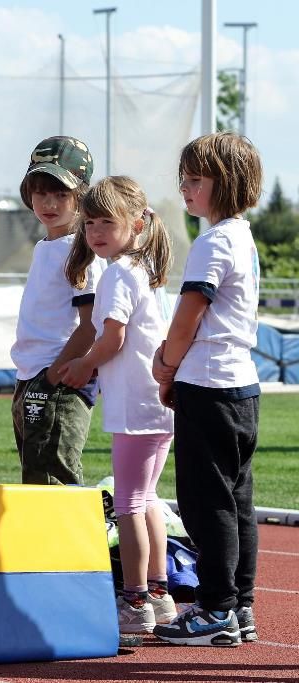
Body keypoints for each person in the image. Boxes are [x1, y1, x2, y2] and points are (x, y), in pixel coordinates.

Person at [150, 133, 263, 647]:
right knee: (237, 501)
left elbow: (188, 316)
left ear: (226, 182)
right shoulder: (242, 237)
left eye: (195, 179)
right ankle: (239, 605)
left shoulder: (214, 242)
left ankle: (216, 610)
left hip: (209, 384)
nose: (185, 188)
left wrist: (166, 365)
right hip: (242, 385)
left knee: (205, 502)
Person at [59, 176, 176, 635]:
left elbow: (113, 337)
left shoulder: (119, 275)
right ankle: (158, 593)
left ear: (138, 223)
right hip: (157, 402)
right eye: (89, 223)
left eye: (107, 222)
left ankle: (135, 600)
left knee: (129, 502)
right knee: (148, 498)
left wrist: (82, 365)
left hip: (136, 401)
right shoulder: (144, 269)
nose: (95, 232)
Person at [10, 136, 104, 486]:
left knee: (56, 483)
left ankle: (74, 542)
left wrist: (51, 378)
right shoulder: (46, 246)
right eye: (40, 192)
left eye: (61, 194)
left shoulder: (82, 250)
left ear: (81, 196)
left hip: (58, 382)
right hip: (31, 376)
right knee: (35, 481)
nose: (49, 203)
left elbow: (90, 326)